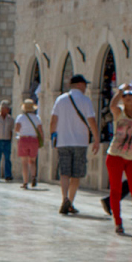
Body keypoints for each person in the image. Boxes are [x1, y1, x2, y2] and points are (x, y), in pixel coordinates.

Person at [49, 74, 99, 215]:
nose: (86, 87)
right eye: (85, 85)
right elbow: (92, 121)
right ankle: (70, 202)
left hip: (63, 141)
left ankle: (64, 198)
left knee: (64, 172)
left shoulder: (60, 100)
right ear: (79, 85)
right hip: (80, 142)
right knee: (76, 174)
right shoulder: (86, 100)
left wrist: (53, 136)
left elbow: (53, 121)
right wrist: (96, 139)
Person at [104, 88, 132, 236]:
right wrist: (120, 91)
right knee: (115, 190)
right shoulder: (119, 112)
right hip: (115, 155)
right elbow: (112, 105)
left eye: (130, 94)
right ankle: (118, 222)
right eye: (125, 95)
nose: (127, 97)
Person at [14, 100, 43, 189]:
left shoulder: (20, 117)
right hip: (34, 140)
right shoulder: (37, 118)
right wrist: (42, 140)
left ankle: (25, 182)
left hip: (24, 139)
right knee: (32, 161)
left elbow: (16, 129)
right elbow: (40, 130)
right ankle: (33, 177)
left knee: (24, 162)